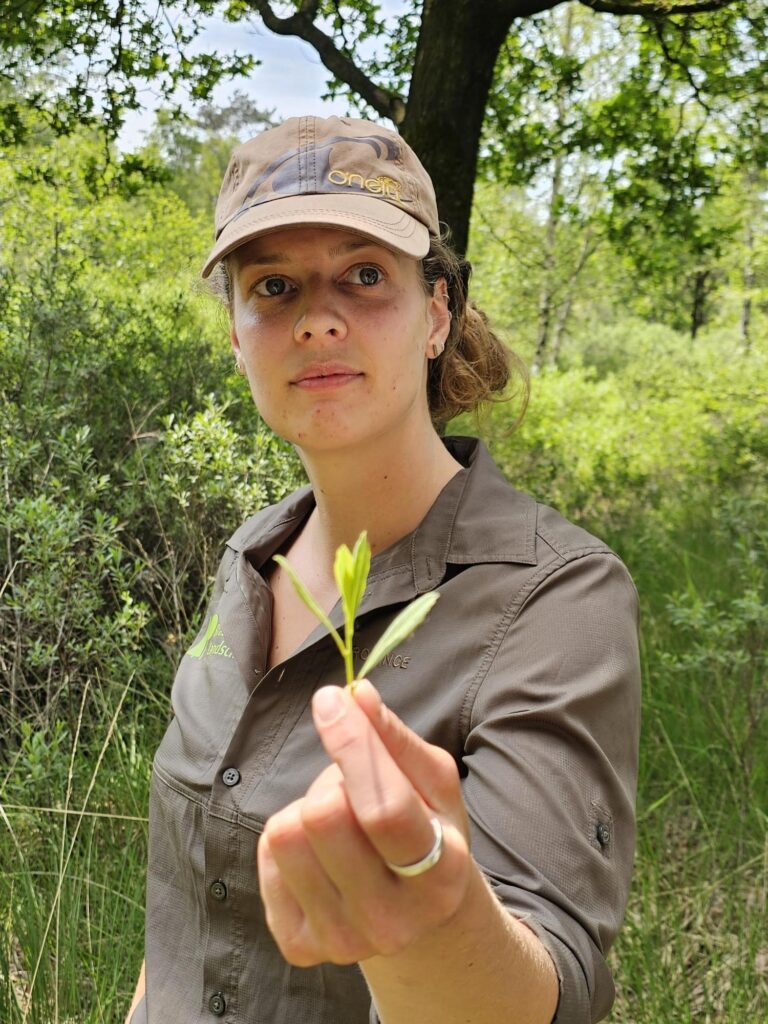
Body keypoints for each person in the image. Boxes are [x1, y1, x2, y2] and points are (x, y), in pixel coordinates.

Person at [127, 115, 640, 1024]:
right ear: (239, 339)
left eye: (365, 276)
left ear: (436, 313)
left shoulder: (558, 598)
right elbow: (179, 915)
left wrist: (434, 920)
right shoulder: (249, 558)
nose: (318, 317)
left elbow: (549, 984)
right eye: (273, 287)